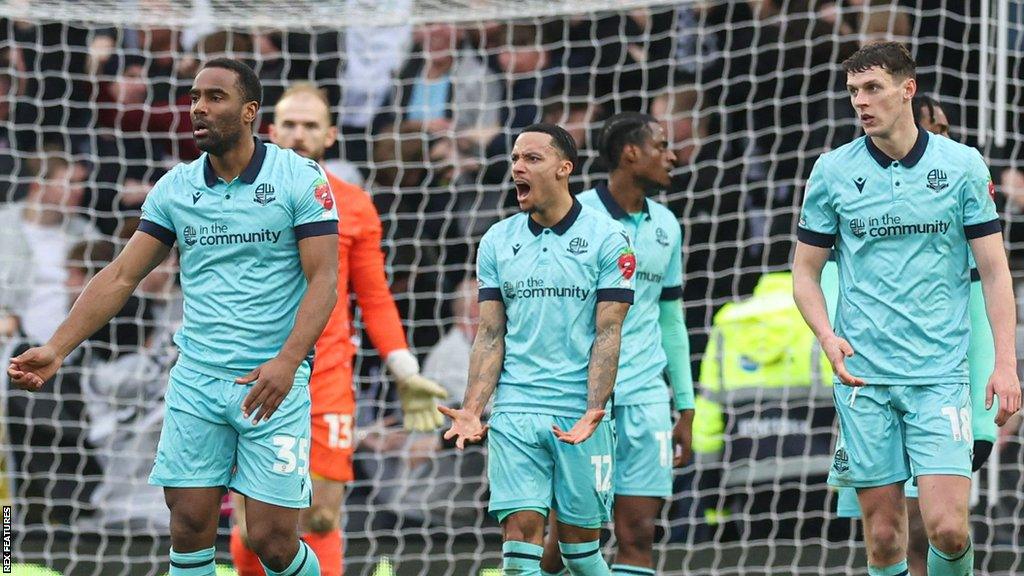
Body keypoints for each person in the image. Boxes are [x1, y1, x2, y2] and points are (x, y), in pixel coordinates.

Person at [7, 58, 339, 576]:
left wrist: (287, 361)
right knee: (187, 525)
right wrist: (56, 348)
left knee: (272, 541)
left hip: (272, 381)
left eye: (214, 98)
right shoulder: (176, 188)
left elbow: (324, 279)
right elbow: (120, 276)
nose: (198, 109)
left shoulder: (300, 177)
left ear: (250, 111)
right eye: (193, 98)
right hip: (197, 380)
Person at [793, 42, 1021, 576]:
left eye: (872, 88)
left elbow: (993, 271)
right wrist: (827, 335)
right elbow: (804, 273)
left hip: (939, 376)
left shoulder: (962, 166)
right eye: (853, 92)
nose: (861, 101)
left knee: (947, 527)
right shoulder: (831, 172)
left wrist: (1006, 362)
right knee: (885, 538)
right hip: (864, 381)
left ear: (907, 89)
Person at [228, 81, 448, 576]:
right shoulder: (235, 200)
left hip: (326, 379)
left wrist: (404, 368)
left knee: (322, 517)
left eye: (311, 126)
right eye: (290, 124)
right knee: (254, 530)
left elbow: (373, 296)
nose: (299, 134)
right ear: (270, 130)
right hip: (251, 376)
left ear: (330, 136)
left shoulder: (353, 205)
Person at [440, 123, 635, 576]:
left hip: (577, 414)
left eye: (531, 158)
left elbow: (609, 333)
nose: (517, 168)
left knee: (580, 554)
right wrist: (473, 408)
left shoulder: (609, 239)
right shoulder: (496, 241)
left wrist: (594, 407)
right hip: (515, 410)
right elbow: (490, 335)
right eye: (514, 159)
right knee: (520, 541)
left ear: (564, 168)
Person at [829, 94, 1000, 576]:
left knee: (939, 529)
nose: (944, 139)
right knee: (886, 535)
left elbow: (980, 317)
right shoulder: (847, 190)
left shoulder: (959, 201)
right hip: (871, 389)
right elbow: (830, 299)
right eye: (938, 128)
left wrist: (983, 419)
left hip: (939, 387)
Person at [538, 112, 693, 576]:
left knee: (639, 533)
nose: (673, 156)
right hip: (582, 399)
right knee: (568, 540)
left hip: (645, 398)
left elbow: (671, 318)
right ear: (630, 153)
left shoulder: (667, 224)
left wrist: (684, 404)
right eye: (661, 146)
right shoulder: (573, 215)